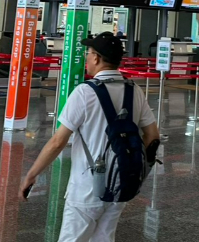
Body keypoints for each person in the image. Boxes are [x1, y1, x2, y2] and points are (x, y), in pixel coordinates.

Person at [20, 32, 161, 242]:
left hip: (85, 189)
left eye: (89, 53)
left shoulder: (84, 93)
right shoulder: (135, 91)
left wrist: (31, 175)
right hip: (120, 184)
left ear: (96, 58)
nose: (87, 57)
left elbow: (57, 142)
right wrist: (132, 169)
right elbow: (153, 136)